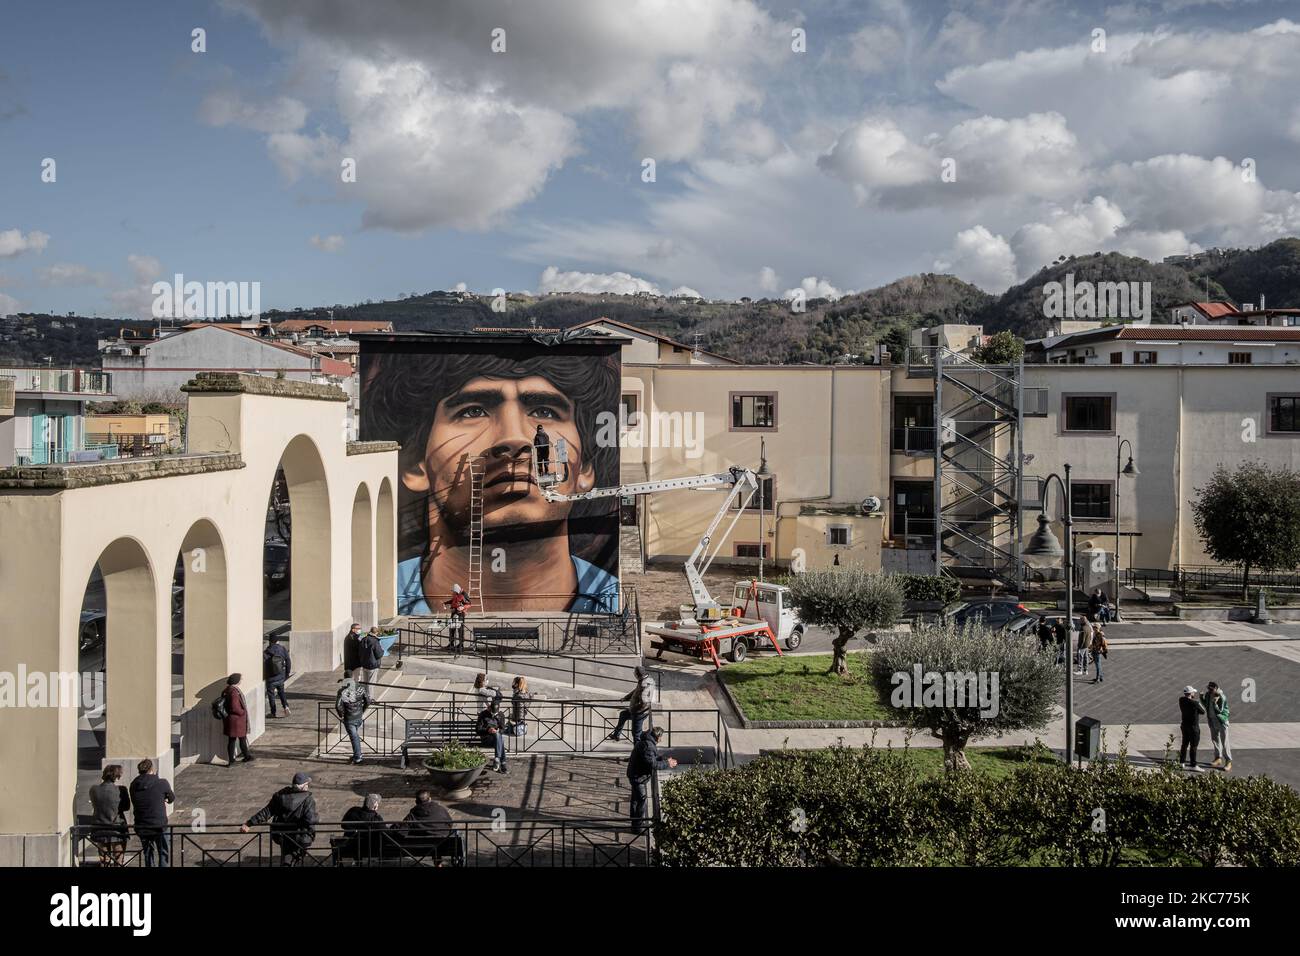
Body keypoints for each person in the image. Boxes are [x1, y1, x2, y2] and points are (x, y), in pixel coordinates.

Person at [366, 349, 622, 616]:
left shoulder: (614, 605)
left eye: (544, 410)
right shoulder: (377, 602)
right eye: (473, 411)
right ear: (413, 463)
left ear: (585, 467)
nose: (513, 438)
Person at [241, 772, 319, 867]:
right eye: (307, 784)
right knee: (294, 859)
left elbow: (267, 812)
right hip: (300, 836)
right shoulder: (308, 800)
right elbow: (311, 820)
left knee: (287, 856)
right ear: (303, 786)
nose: (308, 786)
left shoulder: (281, 795)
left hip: (283, 835)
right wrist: (315, 821)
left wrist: (249, 823)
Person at [392, 790, 461, 865]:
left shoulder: (412, 815)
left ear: (416, 801)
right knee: (437, 837)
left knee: (431, 838)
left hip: (421, 847)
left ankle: (438, 862)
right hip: (443, 845)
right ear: (430, 799)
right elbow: (450, 823)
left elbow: (401, 831)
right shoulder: (440, 809)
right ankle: (438, 863)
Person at [128, 758, 175, 868]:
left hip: (141, 824)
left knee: (148, 853)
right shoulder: (161, 782)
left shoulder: (133, 785)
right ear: (152, 769)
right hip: (159, 824)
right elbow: (171, 798)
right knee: (163, 851)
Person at [627, 726, 677, 825]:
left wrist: (664, 759)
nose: (661, 739)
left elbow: (651, 758)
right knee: (642, 801)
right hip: (638, 777)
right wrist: (668, 764)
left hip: (634, 774)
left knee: (635, 800)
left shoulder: (646, 742)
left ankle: (635, 822)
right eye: (661, 737)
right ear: (657, 737)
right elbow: (653, 764)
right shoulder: (649, 746)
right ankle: (638, 826)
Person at [88, 764, 131, 866]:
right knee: (118, 858)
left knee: (104, 859)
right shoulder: (121, 790)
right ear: (117, 776)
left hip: (99, 828)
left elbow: (95, 805)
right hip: (117, 828)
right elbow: (126, 807)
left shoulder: (94, 789)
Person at [607, 665, 655, 743]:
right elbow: (636, 691)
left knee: (636, 734)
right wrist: (626, 697)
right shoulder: (644, 680)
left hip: (639, 713)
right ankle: (616, 735)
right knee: (623, 715)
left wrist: (634, 710)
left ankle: (637, 753)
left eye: (635, 673)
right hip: (637, 710)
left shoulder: (645, 684)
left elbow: (644, 703)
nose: (634, 675)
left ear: (638, 674)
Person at [334, 794, 385, 864]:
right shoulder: (376, 819)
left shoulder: (353, 811)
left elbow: (343, 825)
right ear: (375, 806)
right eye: (377, 803)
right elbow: (384, 830)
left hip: (351, 846)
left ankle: (357, 861)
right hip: (369, 848)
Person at [335, 675, 372, 765]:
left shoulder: (342, 691)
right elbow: (368, 701)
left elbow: (338, 706)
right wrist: (362, 711)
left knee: (354, 738)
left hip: (349, 718)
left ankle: (358, 757)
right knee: (355, 737)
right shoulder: (361, 688)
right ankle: (357, 755)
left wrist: (341, 716)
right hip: (358, 717)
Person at [221, 673, 254, 766]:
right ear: (236, 681)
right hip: (237, 720)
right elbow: (234, 707)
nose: (241, 680)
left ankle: (235, 759)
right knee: (241, 738)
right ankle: (241, 758)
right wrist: (242, 712)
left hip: (231, 720)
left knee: (233, 740)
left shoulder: (227, 690)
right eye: (240, 679)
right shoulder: (234, 692)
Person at [1204, 681, 1232, 772]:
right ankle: (1218, 758)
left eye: (1211, 689)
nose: (1209, 690)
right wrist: (1201, 698)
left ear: (1216, 688)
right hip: (1212, 720)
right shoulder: (1208, 695)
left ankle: (1228, 761)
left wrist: (1215, 703)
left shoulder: (1221, 697)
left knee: (1225, 742)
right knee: (1215, 740)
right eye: (1208, 688)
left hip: (1221, 721)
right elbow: (1206, 705)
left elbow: (1220, 710)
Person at [477, 694, 508, 774]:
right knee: (500, 740)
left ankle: (498, 759)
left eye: (495, 712)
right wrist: (488, 730)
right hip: (486, 739)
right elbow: (477, 730)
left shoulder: (500, 715)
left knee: (498, 736)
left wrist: (497, 730)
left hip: (496, 740)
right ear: (489, 708)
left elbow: (503, 729)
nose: (494, 714)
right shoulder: (483, 714)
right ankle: (502, 763)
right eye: (492, 712)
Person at [264, 634, 291, 718]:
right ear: (277, 641)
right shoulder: (282, 649)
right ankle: (286, 707)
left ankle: (273, 712)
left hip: (270, 678)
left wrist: (265, 677)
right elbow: (288, 661)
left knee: (271, 695)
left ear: (270, 641)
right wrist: (287, 673)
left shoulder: (266, 652)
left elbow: (263, 666)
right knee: (281, 692)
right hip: (280, 676)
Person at [1179, 685, 1206, 770]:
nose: (1194, 693)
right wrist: (1197, 702)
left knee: (1184, 744)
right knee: (1193, 746)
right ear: (1190, 693)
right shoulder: (1195, 703)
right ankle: (1193, 764)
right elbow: (1203, 711)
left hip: (1184, 726)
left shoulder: (1181, 700)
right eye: (1193, 692)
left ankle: (1182, 762)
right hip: (1194, 728)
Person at [444, 584, 471, 653]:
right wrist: (445, 603)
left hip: (460, 614)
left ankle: (461, 645)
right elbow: (453, 601)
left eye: (453, 591)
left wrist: (463, 607)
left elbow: (469, 604)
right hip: (453, 614)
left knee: (460, 629)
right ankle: (451, 643)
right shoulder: (456, 595)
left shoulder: (463, 595)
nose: (452, 593)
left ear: (456, 591)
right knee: (452, 628)